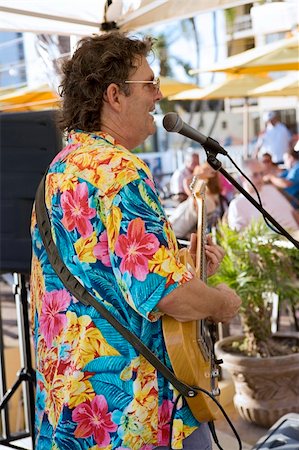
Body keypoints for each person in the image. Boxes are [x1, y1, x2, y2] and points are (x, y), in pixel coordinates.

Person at [30, 32, 241, 450]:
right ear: (114, 94)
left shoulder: (58, 171)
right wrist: (221, 302)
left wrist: (183, 262)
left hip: (72, 409)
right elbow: (161, 294)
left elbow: (101, 274)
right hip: (131, 411)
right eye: (150, 83)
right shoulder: (121, 172)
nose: (159, 94)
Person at [227, 159, 299, 232]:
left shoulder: (271, 189)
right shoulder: (237, 204)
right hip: (275, 241)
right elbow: (239, 236)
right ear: (243, 178)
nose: (260, 178)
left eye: (261, 173)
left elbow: (293, 212)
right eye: (255, 175)